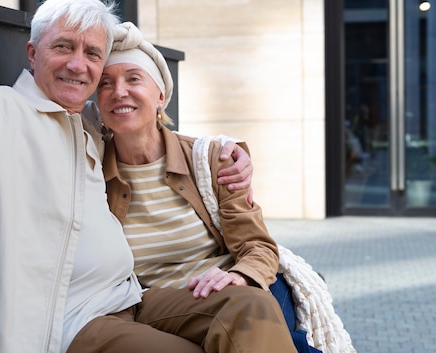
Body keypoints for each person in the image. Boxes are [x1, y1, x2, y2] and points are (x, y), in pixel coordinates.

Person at [0, 0, 254, 353]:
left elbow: (149, 123)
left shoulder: (91, 126)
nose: (78, 65)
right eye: (63, 47)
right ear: (32, 53)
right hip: (70, 321)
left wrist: (226, 150)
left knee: (249, 307)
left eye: (93, 54)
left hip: (132, 298)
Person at [94, 21, 319, 353]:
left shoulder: (211, 158)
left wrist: (240, 275)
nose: (119, 92)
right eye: (105, 83)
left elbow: (258, 246)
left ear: (160, 96)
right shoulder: (89, 169)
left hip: (232, 288)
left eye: (133, 78)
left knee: (258, 311)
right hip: (154, 302)